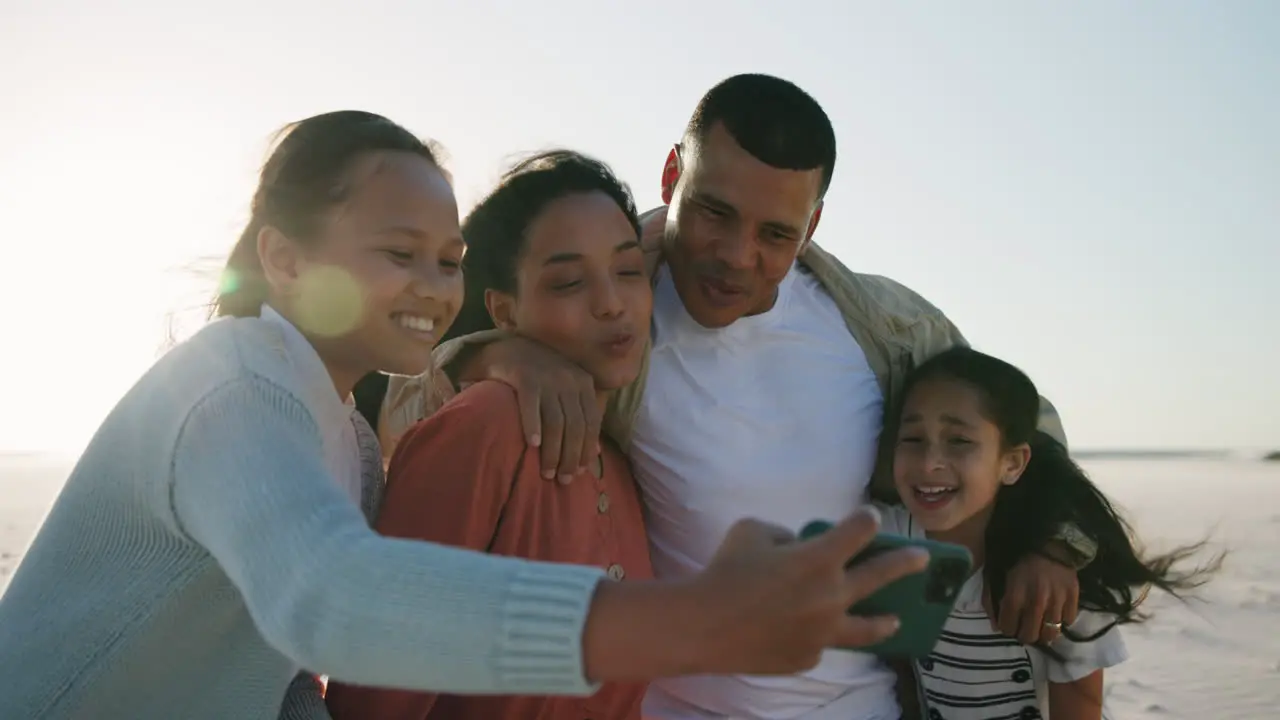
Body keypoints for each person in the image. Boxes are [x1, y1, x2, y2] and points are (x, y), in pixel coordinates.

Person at [0, 111, 931, 720]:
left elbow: (281, 677)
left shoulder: (350, 441)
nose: (432, 288)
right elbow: (329, 599)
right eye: (397, 253)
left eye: (446, 260)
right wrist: (696, 621)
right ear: (283, 259)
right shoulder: (232, 391)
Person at [379, 74, 1100, 719]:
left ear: (812, 226)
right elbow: (407, 420)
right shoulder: (609, 312)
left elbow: (1025, 423)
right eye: (715, 213)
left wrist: (1049, 544)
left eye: (775, 234)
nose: (735, 255)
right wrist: (497, 358)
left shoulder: (885, 326)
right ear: (671, 175)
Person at [326, 150, 657, 719]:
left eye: (629, 271)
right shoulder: (485, 428)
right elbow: (374, 692)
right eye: (570, 282)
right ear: (504, 311)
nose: (611, 304)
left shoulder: (623, 469)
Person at [879, 347, 1222, 720]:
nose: (930, 462)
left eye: (959, 441)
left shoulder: (1062, 583)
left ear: (1012, 463)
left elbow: (1079, 710)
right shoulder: (890, 539)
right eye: (912, 438)